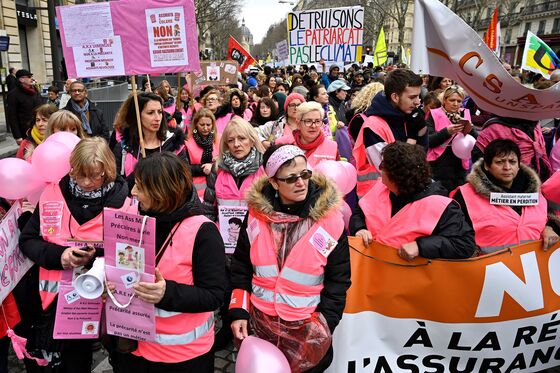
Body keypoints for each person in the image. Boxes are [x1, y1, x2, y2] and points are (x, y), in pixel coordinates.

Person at [229, 144, 350, 373]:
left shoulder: (330, 221)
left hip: (307, 331)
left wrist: (325, 323)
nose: (301, 183)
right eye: (291, 178)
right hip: (261, 327)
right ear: (274, 182)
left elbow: (339, 279)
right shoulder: (256, 216)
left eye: (305, 175)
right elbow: (241, 265)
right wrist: (238, 310)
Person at [18, 137, 131, 373]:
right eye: (80, 175)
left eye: (95, 175)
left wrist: (97, 259)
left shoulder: (124, 203)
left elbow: (130, 256)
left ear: (107, 171)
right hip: (52, 302)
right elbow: (27, 241)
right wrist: (61, 256)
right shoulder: (52, 193)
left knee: (86, 360)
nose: (87, 182)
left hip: (101, 302)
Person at [109, 152, 225, 373]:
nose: (132, 192)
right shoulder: (132, 218)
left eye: (140, 187)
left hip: (183, 357)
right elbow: (117, 264)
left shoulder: (203, 231)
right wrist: (107, 281)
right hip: (134, 350)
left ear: (161, 192)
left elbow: (214, 294)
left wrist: (166, 293)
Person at [350, 142, 475, 260]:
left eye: (383, 167)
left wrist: (421, 246)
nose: (380, 170)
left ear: (396, 178)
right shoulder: (380, 187)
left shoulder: (441, 206)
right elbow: (359, 213)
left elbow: (465, 245)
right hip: (372, 271)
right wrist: (359, 229)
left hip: (410, 277)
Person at [452, 139, 558, 255]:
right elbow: (455, 236)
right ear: (487, 165)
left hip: (532, 269)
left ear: (518, 165)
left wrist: (548, 229)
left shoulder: (536, 194)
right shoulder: (464, 195)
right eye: (500, 162)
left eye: (512, 162)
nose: (507, 167)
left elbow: (546, 219)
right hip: (486, 270)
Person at [353, 69, 427, 198]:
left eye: (418, 96)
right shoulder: (373, 126)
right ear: (395, 97)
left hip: (404, 195)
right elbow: (398, 169)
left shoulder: (408, 116)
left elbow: (423, 157)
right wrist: (414, 136)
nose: (418, 102)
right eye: (412, 97)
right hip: (377, 199)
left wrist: (422, 130)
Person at [113, 92, 187, 188]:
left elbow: (185, 181)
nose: (157, 118)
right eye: (150, 113)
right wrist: (143, 170)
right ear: (137, 115)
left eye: (160, 112)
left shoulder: (174, 144)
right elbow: (118, 188)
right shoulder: (123, 148)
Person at [203, 117, 264, 221]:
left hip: (255, 235)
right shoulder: (217, 168)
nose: (236, 144)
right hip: (222, 234)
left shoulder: (264, 167)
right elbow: (208, 209)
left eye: (242, 138)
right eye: (231, 140)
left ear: (252, 140)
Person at [427, 85, 477, 192]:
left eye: (459, 101)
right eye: (452, 100)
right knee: (441, 193)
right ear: (444, 100)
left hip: (460, 162)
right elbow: (428, 140)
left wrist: (470, 129)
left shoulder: (465, 113)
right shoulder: (434, 114)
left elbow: (475, 140)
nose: (456, 104)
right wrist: (447, 132)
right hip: (439, 163)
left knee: (459, 193)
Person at [473, 114, 551, 181]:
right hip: (502, 186)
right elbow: (479, 159)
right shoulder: (494, 128)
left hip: (535, 183)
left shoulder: (535, 125)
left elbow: (542, 155)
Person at [186, 109, 219, 199]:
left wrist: (212, 167)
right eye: (202, 125)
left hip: (217, 188)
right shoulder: (187, 143)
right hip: (196, 190)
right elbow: (184, 167)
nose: (205, 128)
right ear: (196, 124)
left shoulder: (218, 140)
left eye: (208, 125)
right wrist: (203, 168)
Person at [7, 69, 43, 146]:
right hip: (25, 132)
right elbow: (12, 116)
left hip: (40, 128)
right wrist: (17, 136)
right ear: (21, 79)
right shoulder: (13, 94)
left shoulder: (35, 90)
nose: (32, 79)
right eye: (29, 77)